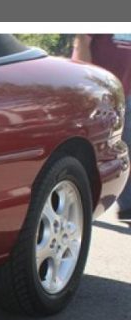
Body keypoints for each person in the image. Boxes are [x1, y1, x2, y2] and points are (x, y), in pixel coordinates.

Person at [73, 34, 131, 223]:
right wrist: (88, 85)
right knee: (95, 150)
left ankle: (128, 206)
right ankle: (79, 205)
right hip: (100, 91)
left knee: (125, 148)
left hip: (127, 91)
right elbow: (82, 40)